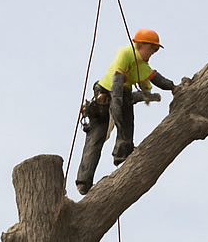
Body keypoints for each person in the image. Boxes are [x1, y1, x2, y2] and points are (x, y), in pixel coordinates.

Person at [75, 28, 177, 195]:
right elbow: (117, 81)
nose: (152, 54)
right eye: (152, 50)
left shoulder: (142, 65)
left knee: (127, 126)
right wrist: (116, 105)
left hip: (124, 94)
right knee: (97, 137)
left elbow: (156, 79)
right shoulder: (126, 53)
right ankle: (84, 182)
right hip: (106, 94)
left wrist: (173, 87)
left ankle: (122, 154)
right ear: (142, 45)